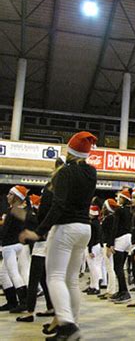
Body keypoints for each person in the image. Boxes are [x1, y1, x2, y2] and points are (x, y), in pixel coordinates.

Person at [20, 131, 98, 340]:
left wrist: (39, 232)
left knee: (54, 277)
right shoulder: (92, 173)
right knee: (71, 280)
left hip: (66, 229)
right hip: (84, 229)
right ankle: (73, 322)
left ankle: (67, 324)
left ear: (69, 150)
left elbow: (59, 205)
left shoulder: (65, 172)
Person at [14, 193, 55, 322]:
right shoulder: (49, 213)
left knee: (33, 280)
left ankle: (29, 311)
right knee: (43, 279)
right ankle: (51, 307)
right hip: (46, 247)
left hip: (41, 248)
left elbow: (39, 230)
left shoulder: (42, 213)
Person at [1, 185, 30, 313]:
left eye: (10, 194)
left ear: (16, 197)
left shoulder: (13, 210)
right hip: (16, 245)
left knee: (13, 273)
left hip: (10, 245)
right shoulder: (20, 210)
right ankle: (12, 302)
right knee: (3, 273)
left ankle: (23, 302)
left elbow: (5, 231)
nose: (8, 196)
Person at [108, 189, 133, 304]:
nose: (118, 199)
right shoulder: (131, 210)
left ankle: (124, 292)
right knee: (122, 267)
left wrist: (110, 243)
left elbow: (114, 227)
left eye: (119, 197)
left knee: (117, 267)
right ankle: (121, 290)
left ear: (123, 199)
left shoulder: (119, 211)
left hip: (120, 239)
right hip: (129, 238)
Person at [84, 204, 102, 295]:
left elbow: (91, 238)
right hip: (98, 246)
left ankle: (96, 287)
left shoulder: (91, 224)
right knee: (96, 267)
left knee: (93, 268)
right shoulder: (97, 223)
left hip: (93, 246)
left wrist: (90, 250)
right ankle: (92, 285)